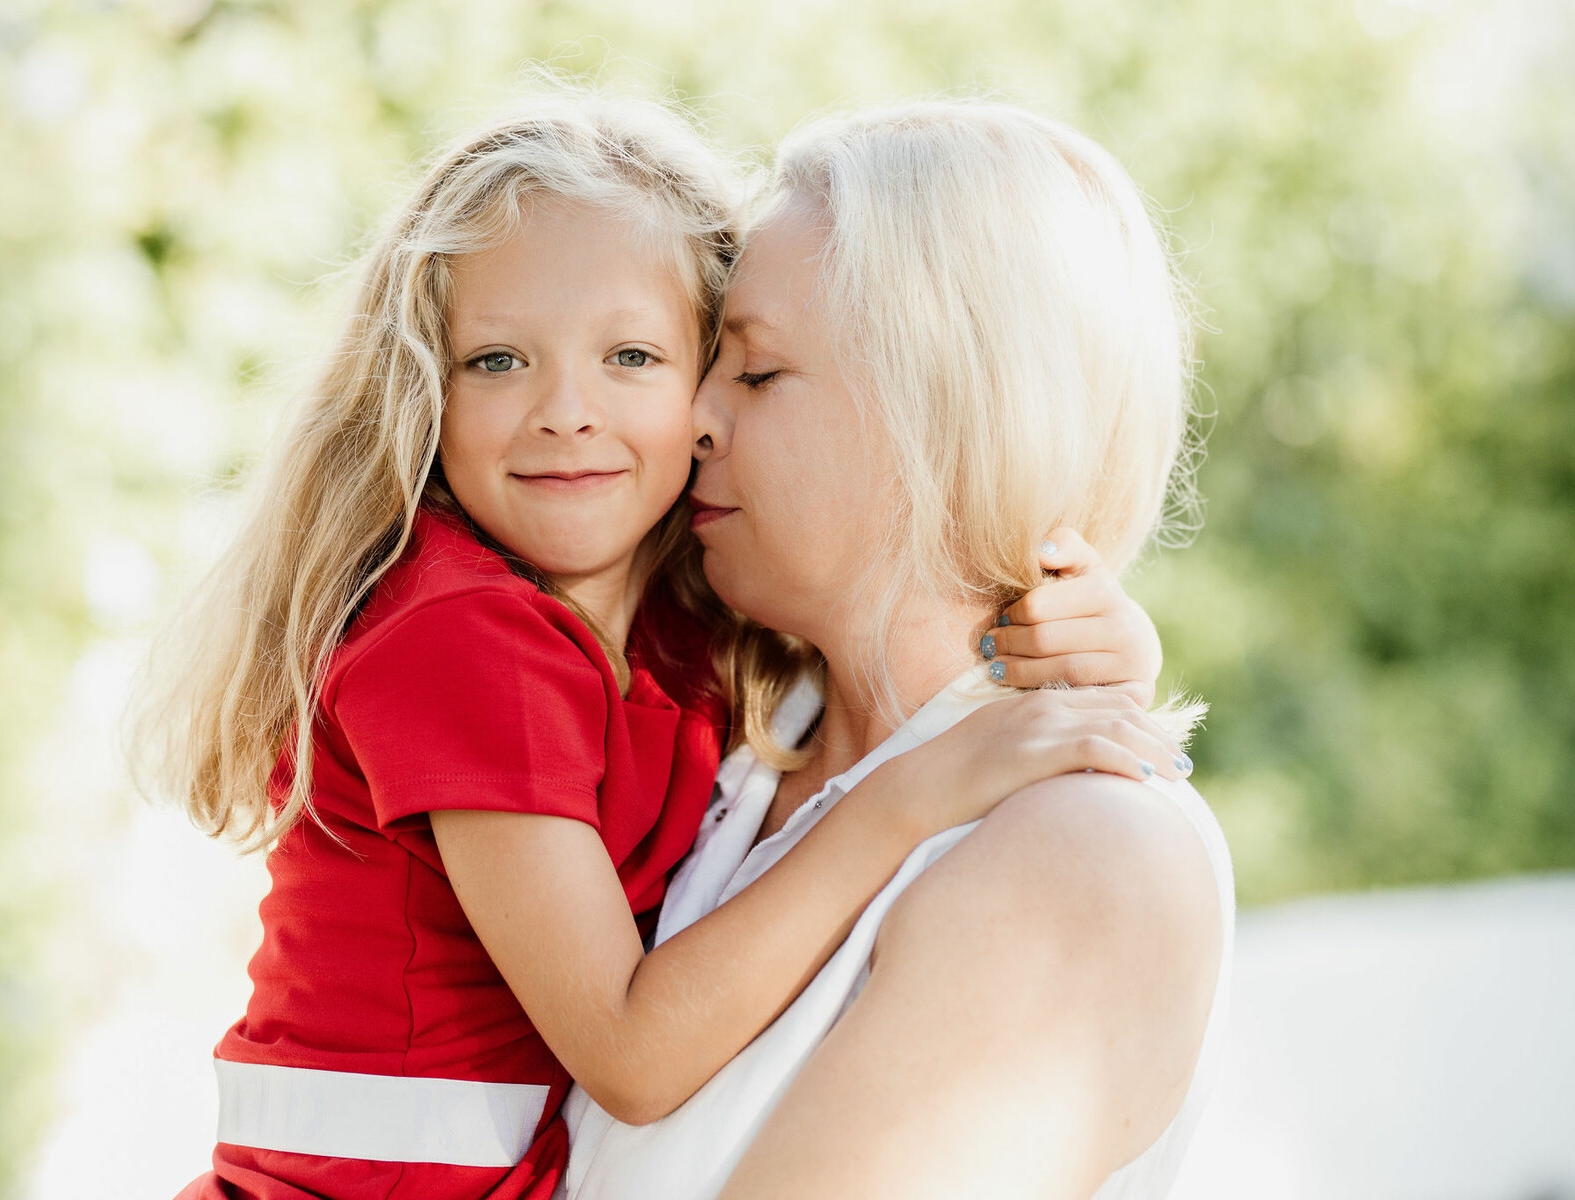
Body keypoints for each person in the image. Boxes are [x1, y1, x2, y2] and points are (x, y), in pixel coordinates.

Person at [136, 90, 1185, 1200]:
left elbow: (922, 638)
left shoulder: (688, 621)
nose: (567, 411)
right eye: (496, 361)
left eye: (637, 356)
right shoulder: (456, 633)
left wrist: (1089, 649)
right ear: (422, 392)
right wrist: (917, 796)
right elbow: (631, 1054)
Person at [559, 99, 1233, 1200]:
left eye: (758, 372)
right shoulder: (730, 749)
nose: (693, 419)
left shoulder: (1087, 853)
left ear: (946, 409)